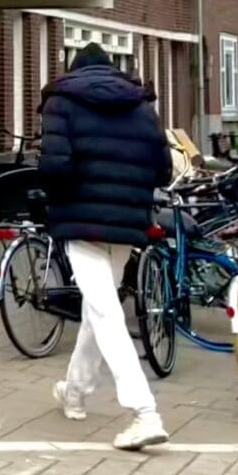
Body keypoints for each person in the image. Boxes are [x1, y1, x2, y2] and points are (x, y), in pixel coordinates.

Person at [38, 41, 173, 451]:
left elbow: (54, 166)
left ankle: (144, 412)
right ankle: (74, 393)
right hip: (126, 225)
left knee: (105, 312)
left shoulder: (61, 102)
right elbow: (164, 171)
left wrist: (57, 197)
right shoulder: (142, 106)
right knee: (99, 309)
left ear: (74, 70)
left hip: (81, 221)